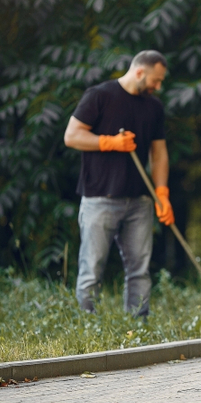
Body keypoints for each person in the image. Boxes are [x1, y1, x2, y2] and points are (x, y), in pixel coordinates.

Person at [63, 50, 174, 317]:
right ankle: (86, 326)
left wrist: (162, 192)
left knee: (140, 269)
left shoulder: (153, 107)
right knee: (92, 267)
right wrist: (108, 142)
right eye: (155, 80)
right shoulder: (99, 96)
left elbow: (158, 153)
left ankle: (139, 325)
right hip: (99, 197)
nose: (158, 86)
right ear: (139, 72)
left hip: (139, 200)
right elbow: (72, 136)